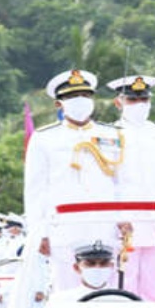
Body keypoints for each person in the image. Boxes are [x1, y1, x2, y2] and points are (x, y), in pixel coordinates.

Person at [24, 69, 124, 293]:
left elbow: (120, 182)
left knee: (107, 282)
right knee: (65, 285)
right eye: (71, 97)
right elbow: (35, 189)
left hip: (105, 222)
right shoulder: (44, 138)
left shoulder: (112, 135)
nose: (80, 101)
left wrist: (124, 218)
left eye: (86, 96)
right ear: (59, 104)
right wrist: (39, 232)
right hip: (64, 225)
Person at [106, 74, 155, 301]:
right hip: (122, 223)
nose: (139, 105)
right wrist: (116, 216)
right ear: (119, 102)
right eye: (132, 100)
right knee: (122, 285)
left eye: (143, 99)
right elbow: (105, 182)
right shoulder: (105, 136)